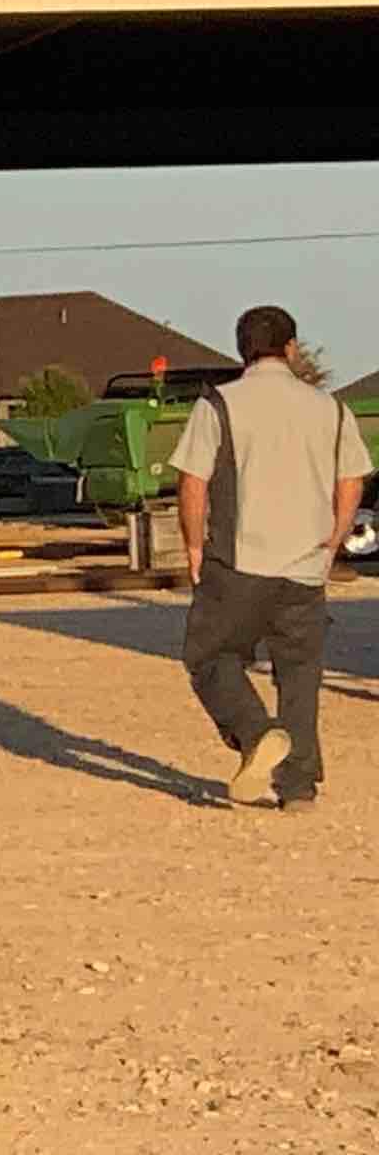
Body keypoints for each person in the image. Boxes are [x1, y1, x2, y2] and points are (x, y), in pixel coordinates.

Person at [174, 303, 368, 808]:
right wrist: (336, 535)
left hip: (238, 561)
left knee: (209, 655)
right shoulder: (331, 408)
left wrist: (194, 546)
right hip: (306, 565)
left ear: (243, 351)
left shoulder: (218, 404)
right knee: (299, 673)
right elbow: (352, 478)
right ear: (291, 349)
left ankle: (256, 732)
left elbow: (192, 481)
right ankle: (299, 786)